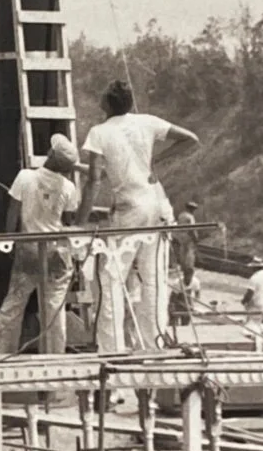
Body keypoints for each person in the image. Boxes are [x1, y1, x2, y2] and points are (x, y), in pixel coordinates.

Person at [79, 79, 199, 351]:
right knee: (153, 278)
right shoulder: (147, 121)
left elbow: (95, 179)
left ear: (106, 104)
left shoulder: (99, 132)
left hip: (130, 207)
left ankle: (111, 348)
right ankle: (154, 342)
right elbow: (191, 139)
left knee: (110, 277)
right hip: (156, 203)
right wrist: (156, 161)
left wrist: (80, 220)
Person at [0, 133, 81, 355]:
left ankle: (2, 352)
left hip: (29, 249)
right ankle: (55, 355)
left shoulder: (24, 177)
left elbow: (12, 214)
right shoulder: (68, 188)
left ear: (50, 154)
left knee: (14, 303)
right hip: (57, 253)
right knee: (54, 309)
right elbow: (68, 222)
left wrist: (8, 242)